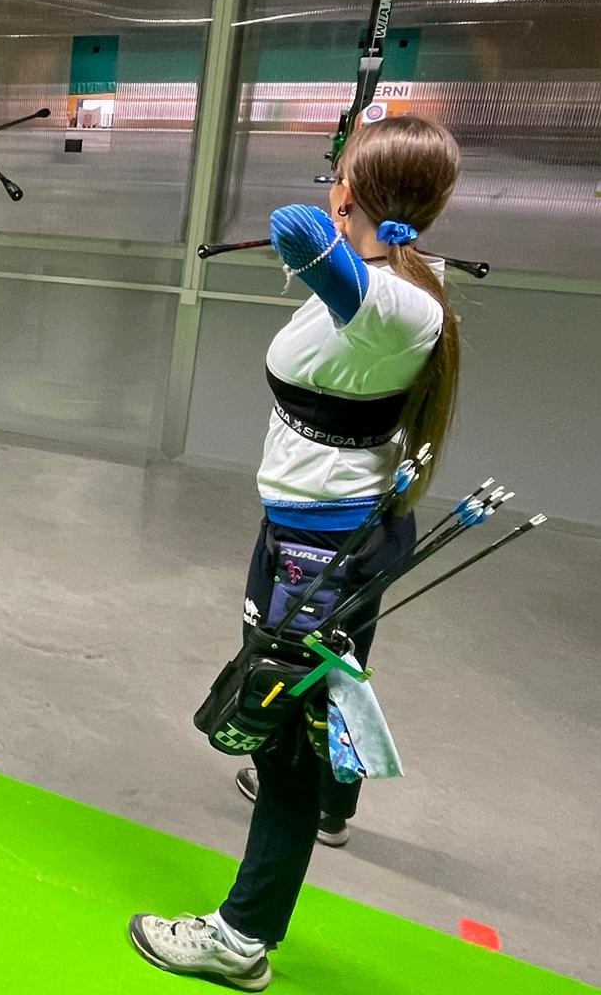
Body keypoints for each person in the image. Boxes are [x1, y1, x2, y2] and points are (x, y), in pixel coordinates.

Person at [130, 115, 463, 990]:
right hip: (324, 532)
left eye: (344, 173)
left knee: (280, 735)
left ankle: (241, 940)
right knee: (323, 692)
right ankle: (336, 807)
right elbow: (338, 271)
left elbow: (317, 251)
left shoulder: (400, 299)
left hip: (320, 546)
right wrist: (353, 202)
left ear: (356, 191)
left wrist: (332, 219)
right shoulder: (398, 275)